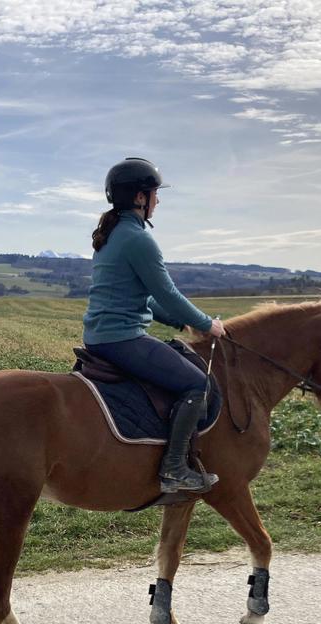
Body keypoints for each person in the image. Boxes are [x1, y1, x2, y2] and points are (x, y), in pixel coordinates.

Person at [83, 157, 227, 493]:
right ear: (139, 197)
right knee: (198, 385)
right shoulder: (139, 240)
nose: (157, 201)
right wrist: (208, 324)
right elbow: (167, 293)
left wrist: (180, 322)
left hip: (101, 337)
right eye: (154, 194)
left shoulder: (113, 235)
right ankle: (174, 469)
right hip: (122, 339)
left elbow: (144, 299)